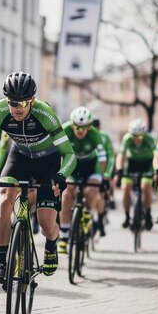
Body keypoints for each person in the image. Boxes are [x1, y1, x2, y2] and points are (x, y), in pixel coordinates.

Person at [0, 72, 76, 284]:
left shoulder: (45, 114)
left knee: (45, 223)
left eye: (23, 102)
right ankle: (1, 263)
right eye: (13, 102)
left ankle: (51, 243)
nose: (18, 107)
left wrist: (61, 176)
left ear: (32, 100)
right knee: (5, 199)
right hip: (19, 156)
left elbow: (69, 154)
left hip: (47, 161)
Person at [58, 107, 107, 253]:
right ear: (72, 125)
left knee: (91, 190)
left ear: (89, 126)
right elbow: (54, 153)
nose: (80, 131)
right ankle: (64, 235)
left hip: (91, 166)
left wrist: (103, 177)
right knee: (66, 194)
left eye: (84, 127)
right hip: (72, 165)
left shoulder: (95, 134)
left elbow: (103, 158)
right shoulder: (64, 130)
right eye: (77, 127)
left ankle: (88, 213)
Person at [115, 119, 155, 231]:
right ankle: (127, 216)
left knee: (145, 186)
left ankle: (148, 214)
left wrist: (157, 169)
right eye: (134, 136)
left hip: (147, 164)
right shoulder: (127, 138)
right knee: (125, 187)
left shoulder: (149, 139)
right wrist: (119, 169)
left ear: (144, 135)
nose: (137, 139)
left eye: (140, 137)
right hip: (132, 163)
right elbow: (121, 155)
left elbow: (156, 155)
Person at [92, 118, 116, 235]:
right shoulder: (103, 135)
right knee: (99, 193)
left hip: (100, 166)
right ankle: (99, 218)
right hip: (95, 166)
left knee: (100, 193)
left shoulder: (104, 137)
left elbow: (110, 156)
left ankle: (100, 220)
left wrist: (106, 174)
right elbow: (111, 156)